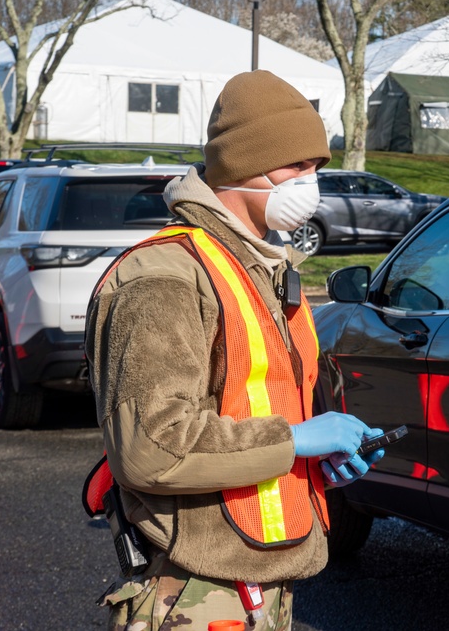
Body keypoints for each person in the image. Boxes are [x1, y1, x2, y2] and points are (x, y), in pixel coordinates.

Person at [85, 70, 385, 631]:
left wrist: (313, 458)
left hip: (266, 584)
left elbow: (251, 411)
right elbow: (153, 446)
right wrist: (294, 439)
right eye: (296, 166)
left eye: (316, 167)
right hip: (193, 593)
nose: (310, 184)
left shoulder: (264, 270)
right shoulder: (165, 276)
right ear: (245, 165)